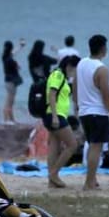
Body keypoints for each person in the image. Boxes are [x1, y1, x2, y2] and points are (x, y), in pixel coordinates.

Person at [77, 35, 109, 191]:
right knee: (96, 148)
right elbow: (107, 96)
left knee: (92, 146)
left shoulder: (81, 64)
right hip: (97, 112)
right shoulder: (101, 69)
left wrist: (78, 106)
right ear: (103, 48)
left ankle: (92, 179)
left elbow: (75, 87)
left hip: (84, 112)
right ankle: (89, 182)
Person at [45, 55, 81, 189]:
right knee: (72, 144)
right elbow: (52, 94)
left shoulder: (62, 77)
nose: (75, 73)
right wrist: (54, 116)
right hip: (56, 115)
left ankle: (51, 182)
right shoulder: (58, 75)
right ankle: (54, 174)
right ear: (69, 66)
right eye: (75, 69)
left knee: (54, 147)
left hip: (57, 115)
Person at [1, 39, 25, 124]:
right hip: (11, 82)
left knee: (11, 101)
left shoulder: (5, 56)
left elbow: (14, 52)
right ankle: (6, 120)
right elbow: (16, 67)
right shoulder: (9, 60)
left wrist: (20, 47)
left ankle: (11, 119)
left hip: (9, 82)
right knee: (9, 101)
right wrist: (17, 65)